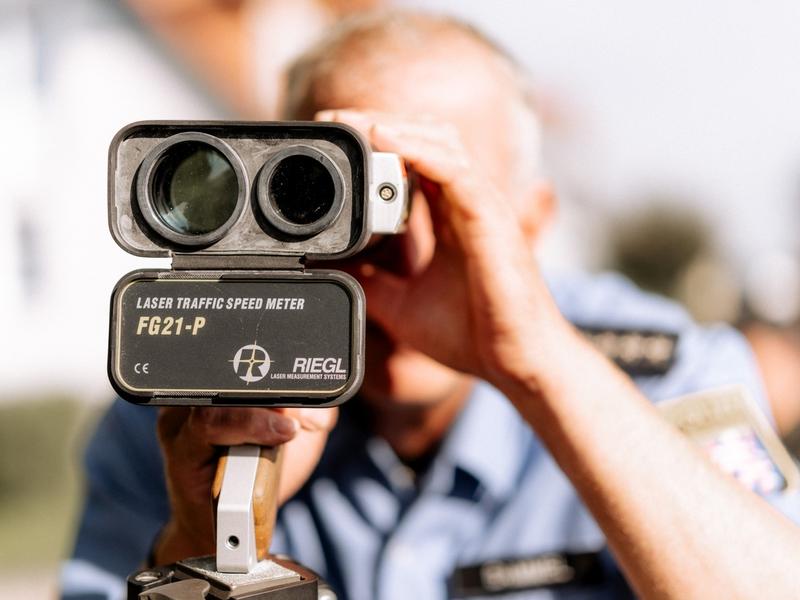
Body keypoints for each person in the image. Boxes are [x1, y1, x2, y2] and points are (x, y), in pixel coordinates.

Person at [61, 10, 800, 600]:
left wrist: (540, 367)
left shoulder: (661, 377)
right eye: (329, 198)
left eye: (438, 203)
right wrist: (208, 531)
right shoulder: (190, 414)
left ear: (532, 220)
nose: (393, 248)